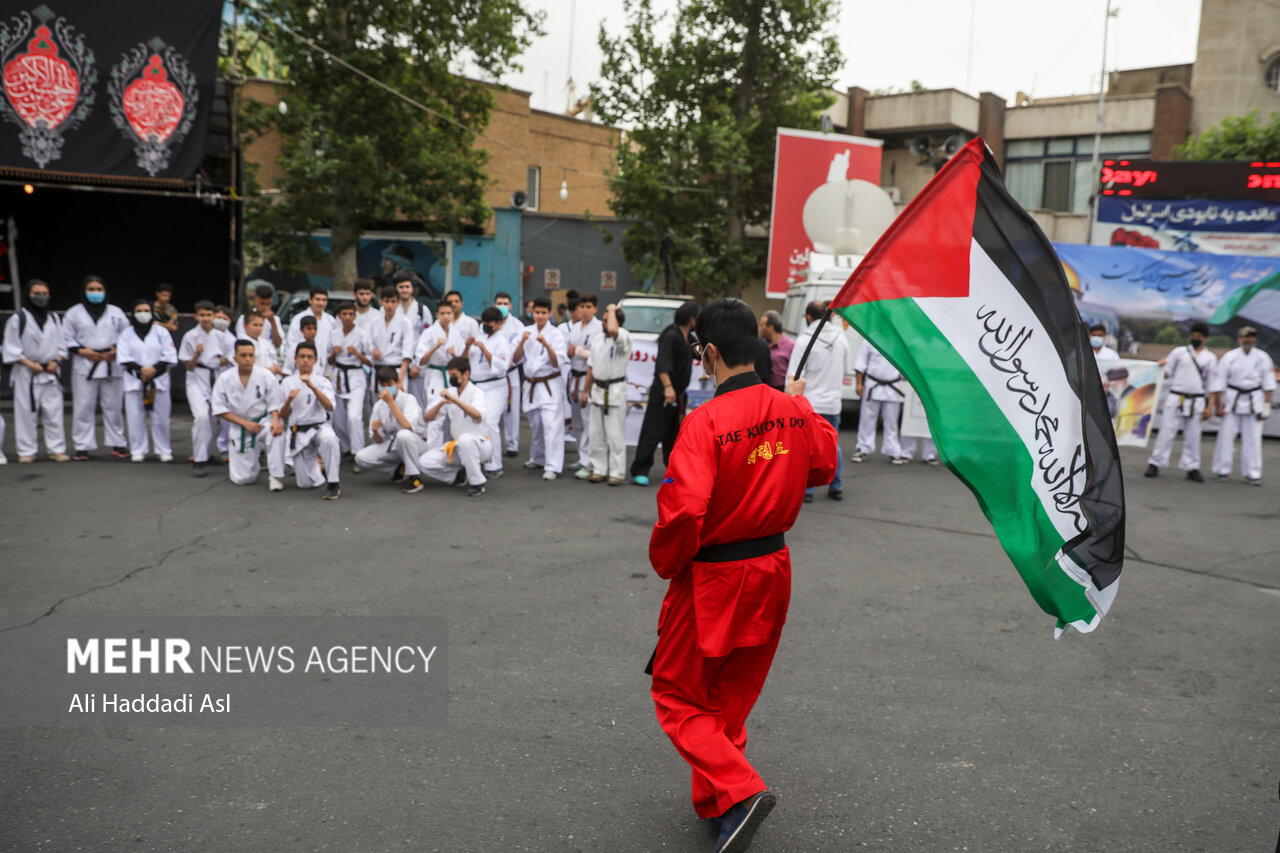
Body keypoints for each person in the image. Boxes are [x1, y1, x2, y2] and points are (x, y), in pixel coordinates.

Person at [648, 298, 839, 853]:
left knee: (678, 695)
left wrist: (667, 561)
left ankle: (739, 789)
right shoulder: (792, 410)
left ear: (706, 353)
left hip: (713, 576)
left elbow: (683, 512)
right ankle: (721, 805)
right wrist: (799, 409)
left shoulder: (705, 421)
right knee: (731, 694)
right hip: (771, 568)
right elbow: (824, 465)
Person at [631, 301, 700, 486]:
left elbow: (701, 353)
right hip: (663, 393)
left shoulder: (689, 337)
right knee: (652, 432)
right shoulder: (672, 336)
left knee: (673, 435)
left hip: (678, 394)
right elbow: (663, 365)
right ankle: (640, 469)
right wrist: (668, 388)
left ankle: (672, 471)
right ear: (691, 318)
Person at [62, 275, 129, 460]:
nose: (96, 293)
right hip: (85, 362)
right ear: (84, 291)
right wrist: (83, 351)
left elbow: (127, 336)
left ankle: (118, 443)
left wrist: (115, 351)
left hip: (110, 362)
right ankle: (82, 446)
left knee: (113, 406)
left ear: (105, 292)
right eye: (91, 289)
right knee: (83, 406)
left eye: (99, 289)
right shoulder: (74, 313)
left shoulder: (116, 312)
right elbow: (66, 337)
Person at [786, 300, 848, 502]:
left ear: (809, 317)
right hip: (833, 401)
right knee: (834, 444)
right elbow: (845, 368)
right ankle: (836, 486)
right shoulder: (841, 338)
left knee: (809, 446)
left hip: (810, 402)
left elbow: (793, 376)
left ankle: (809, 490)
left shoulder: (804, 341)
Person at [3, 279, 69, 462]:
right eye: (36, 293)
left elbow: (62, 346)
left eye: (44, 293)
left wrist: (56, 361)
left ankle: (56, 449)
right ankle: (26, 450)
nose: (41, 297)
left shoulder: (54, 318)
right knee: (26, 413)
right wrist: (30, 364)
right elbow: (11, 348)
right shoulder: (18, 319)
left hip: (50, 372)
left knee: (54, 411)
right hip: (27, 372)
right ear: (28, 295)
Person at [1145, 322, 1217, 482]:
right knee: (1166, 432)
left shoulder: (1210, 358)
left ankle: (1192, 466)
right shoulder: (1179, 352)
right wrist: (1161, 366)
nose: (1195, 338)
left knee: (1193, 435)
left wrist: (1209, 406)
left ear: (1204, 338)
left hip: (1196, 400)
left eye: (1199, 336)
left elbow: (1211, 385)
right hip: (1176, 397)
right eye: (1193, 335)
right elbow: (1167, 373)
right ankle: (1156, 462)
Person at [211, 339, 286, 489]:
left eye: (251, 355)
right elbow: (219, 408)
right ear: (235, 358)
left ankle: (276, 476)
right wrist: (245, 423)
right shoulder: (225, 378)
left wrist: (276, 421)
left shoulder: (265, 376)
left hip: (263, 422)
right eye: (243, 355)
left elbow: (274, 402)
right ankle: (254, 460)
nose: (247, 359)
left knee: (276, 432)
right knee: (243, 479)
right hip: (240, 425)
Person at [410, 356, 490, 497]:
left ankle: (477, 483)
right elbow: (428, 418)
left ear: (466, 374)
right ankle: (458, 475)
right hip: (458, 447)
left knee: (466, 440)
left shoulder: (477, 393)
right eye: (450, 375)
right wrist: (441, 403)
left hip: (480, 446)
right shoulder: (451, 392)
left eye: (454, 376)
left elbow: (477, 415)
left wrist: (455, 400)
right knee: (424, 462)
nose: (451, 379)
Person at [1210, 326, 1275, 485]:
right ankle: (1222, 470)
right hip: (1232, 400)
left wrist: (1267, 405)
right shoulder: (1229, 357)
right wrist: (1219, 405)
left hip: (1254, 400)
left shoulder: (1263, 357)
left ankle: (1253, 473)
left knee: (1253, 439)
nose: (1249, 340)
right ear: (1239, 339)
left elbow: (1269, 384)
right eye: (1246, 337)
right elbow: (1219, 383)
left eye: (1252, 337)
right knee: (1226, 436)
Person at [513, 296, 568, 480]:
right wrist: (521, 342)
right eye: (537, 312)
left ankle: (553, 466)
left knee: (552, 426)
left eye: (544, 313)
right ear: (532, 312)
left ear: (549, 314)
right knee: (536, 425)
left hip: (549, 384)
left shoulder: (556, 335)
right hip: (531, 384)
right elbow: (515, 359)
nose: (540, 316)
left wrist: (546, 344)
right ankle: (537, 457)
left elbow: (557, 363)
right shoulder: (526, 331)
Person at [117, 298, 178, 463]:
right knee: (135, 416)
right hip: (134, 379)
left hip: (158, 379)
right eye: (139, 311)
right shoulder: (126, 333)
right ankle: (138, 449)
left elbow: (169, 355)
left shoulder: (161, 332)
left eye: (146, 311)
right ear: (133, 313)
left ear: (152, 313)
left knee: (161, 418)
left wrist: (153, 370)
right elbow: (123, 357)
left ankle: (163, 449)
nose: (143, 314)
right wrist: (141, 370)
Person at [278, 341, 342, 499]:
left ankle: (333, 483)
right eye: (302, 357)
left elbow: (329, 407)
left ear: (315, 360)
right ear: (295, 359)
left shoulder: (322, 381)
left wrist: (312, 387)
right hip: (298, 431)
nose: (305, 360)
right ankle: (319, 467)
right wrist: (289, 400)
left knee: (330, 438)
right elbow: (283, 415)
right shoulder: (287, 383)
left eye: (309, 357)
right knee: (306, 484)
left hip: (319, 427)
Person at [353, 366, 429, 492]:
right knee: (361, 457)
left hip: (418, 444)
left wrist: (391, 403)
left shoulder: (408, 399)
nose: (387, 388)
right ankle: (398, 468)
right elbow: (378, 441)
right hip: (395, 445)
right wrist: (375, 430)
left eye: (390, 384)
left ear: (398, 383)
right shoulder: (378, 406)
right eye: (383, 385)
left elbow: (407, 426)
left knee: (403, 434)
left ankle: (414, 477)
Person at [179, 300, 233, 476]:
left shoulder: (221, 336)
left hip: (216, 377)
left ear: (214, 316)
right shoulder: (190, 336)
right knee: (201, 416)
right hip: (197, 379)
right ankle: (199, 460)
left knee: (214, 420)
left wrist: (225, 360)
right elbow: (188, 365)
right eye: (202, 315)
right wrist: (197, 353)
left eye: (209, 315)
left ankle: (207, 454)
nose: (205, 318)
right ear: (196, 316)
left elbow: (229, 357)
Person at [580, 304, 631, 484]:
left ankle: (616, 472)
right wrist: (584, 391)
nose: (603, 323)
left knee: (615, 435)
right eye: (602, 319)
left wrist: (611, 309)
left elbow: (613, 330)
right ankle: (599, 469)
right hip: (597, 390)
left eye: (606, 319)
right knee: (596, 434)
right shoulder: (597, 340)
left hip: (615, 391)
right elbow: (591, 367)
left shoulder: (623, 336)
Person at [464, 306, 513, 477]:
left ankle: (495, 464)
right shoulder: (480, 337)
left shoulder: (502, 341)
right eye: (484, 322)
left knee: (491, 422)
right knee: (474, 422)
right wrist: (468, 345)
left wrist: (485, 350)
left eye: (490, 323)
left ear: (499, 324)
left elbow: (502, 366)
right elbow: (466, 359)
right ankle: (476, 459)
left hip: (495, 387)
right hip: (477, 385)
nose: (486, 325)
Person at [415, 301, 463, 448]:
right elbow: (421, 360)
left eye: (449, 313)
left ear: (453, 314)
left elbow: (461, 359)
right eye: (442, 313)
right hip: (435, 374)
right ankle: (432, 452)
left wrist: (454, 355)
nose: (446, 317)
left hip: (451, 376)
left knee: (452, 414)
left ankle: (449, 451)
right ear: (437, 314)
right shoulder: (429, 333)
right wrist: (436, 346)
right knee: (436, 414)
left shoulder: (456, 334)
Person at [328, 301, 373, 456]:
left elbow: (371, 361)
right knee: (339, 418)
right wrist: (334, 353)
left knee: (354, 417)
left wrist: (357, 354)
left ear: (355, 316)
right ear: (339, 316)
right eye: (344, 314)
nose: (347, 317)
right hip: (339, 376)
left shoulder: (362, 335)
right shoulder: (334, 334)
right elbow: (330, 361)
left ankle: (358, 453)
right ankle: (345, 448)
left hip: (356, 377)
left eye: (350, 314)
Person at [851, 340, 906, 464]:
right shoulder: (869, 340)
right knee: (866, 420)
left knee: (891, 423)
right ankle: (863, 448)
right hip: (873, 384)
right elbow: (860, 363)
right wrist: (859, 383)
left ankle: (893, 451)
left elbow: (905, 365)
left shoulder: (898, 341)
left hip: (892, 387)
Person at [566, 293, 602, 470]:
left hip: (588, 378)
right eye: (582, 307)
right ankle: (582, 457)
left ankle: (589, 461)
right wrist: (570, 351)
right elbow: (569, 351)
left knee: (588, 422)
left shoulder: (599, 328)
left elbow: (597, 355)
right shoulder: (575, 327)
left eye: (588, 307)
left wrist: (579, 351)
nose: (585, 310)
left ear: (595, 309)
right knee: (577, 422)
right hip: (573, 377)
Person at [494, 291, 526, 459]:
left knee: (512, 410)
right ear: (494, 305)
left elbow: (518, 352)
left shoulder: (518, 326)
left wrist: (509, 362)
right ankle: (489, 442)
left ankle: (512, 444)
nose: (503, 306)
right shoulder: (489, 323)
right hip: (493, 374)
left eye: (505, 304)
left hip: (511, 373)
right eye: (499, 303)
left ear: (511, 306)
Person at [394, 271, 430, 404]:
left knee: (417, 402)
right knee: (397, 401)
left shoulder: (422, 310)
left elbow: (427, 339)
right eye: (401, 287)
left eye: (407, 287)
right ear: (396, 289)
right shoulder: (391, 309)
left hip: (416, 363)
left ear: (412, 289)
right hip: (396, 362)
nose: (404, 290)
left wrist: (418, 364)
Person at [369, 285, 413, 390]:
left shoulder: (405, 322)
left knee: (396, 403)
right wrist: (374, 351)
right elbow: (369, 344)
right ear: (381, 302)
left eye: (393, 302)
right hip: (379, 369)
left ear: (398, 303)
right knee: (378, 404)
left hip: (396, 370)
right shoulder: (374, 322)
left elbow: (407, 353)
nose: (389, 305)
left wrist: (400, 378)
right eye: (387, 301)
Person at [285, 287, 338, 362]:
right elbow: (291, 343)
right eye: (318, 299)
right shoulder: (299, 319)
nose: (321, 303)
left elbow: (332, 345)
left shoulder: (331, 320)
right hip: (303, 362)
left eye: (324, 300)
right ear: (310, 300)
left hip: (324, 365)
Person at [235, 282, 284, 348]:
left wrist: (272, 322)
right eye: (262, 304)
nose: (265, 307)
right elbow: (241, 341)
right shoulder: (244, 318)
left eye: (268, 304)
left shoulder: (275, 319)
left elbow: (278, 344)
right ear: (254, 301)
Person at [758, 310, 794, 391]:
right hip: (763, 389)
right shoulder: (761, 345)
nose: (759, 328)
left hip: (780, 390)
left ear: (770, 327)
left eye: (761, 325)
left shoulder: (791, 346)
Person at [242, 309, 282, 377]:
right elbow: (243, 368)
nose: (258, 328)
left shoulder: (265, 342)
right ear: (245, 325)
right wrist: (267, 370)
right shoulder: (241, 343)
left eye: (261, 325)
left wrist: (275, 366)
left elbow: (273, 358)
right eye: (255, 325)